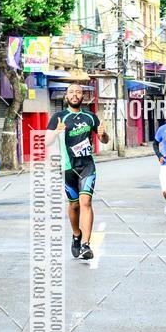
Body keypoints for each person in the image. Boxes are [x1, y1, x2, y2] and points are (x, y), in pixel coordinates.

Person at [46, 84, 110, 260]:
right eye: (71, 92)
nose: (75, 95)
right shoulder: (58, 117)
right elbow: (47, 141)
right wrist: (56, 131)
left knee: (86, 202)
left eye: (78, 92)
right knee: (74, 205)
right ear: (66, 96)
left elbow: (104, 140)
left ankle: (86, 245)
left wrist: (103, 134)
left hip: (87, 166)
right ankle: (76, 235)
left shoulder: (90, 117)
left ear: (83, 96)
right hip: (68, 168)